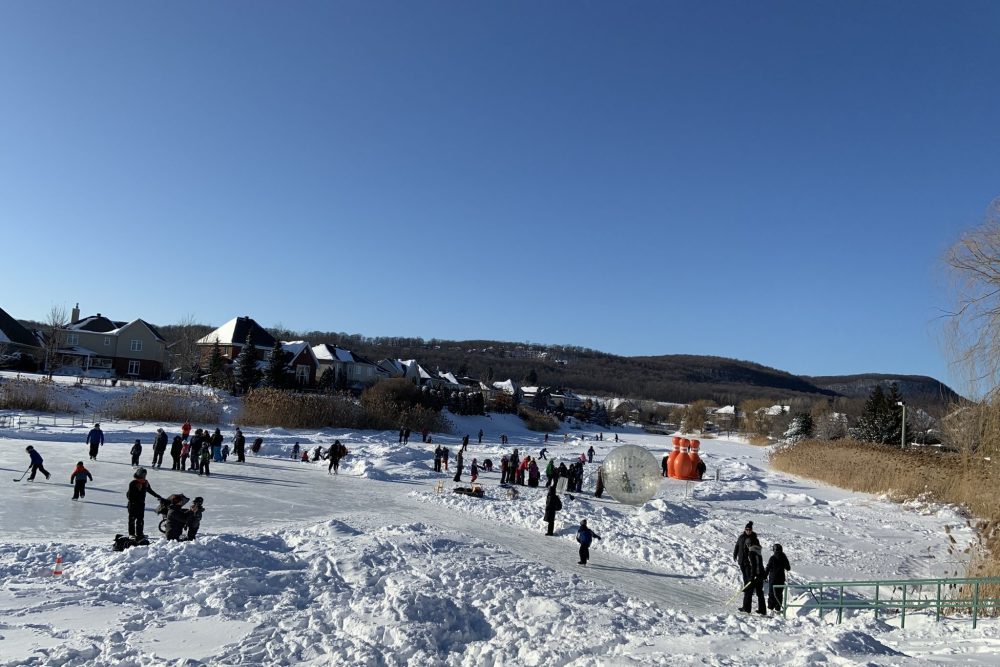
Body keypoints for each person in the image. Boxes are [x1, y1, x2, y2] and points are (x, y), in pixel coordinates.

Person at [126, 467, 162, 538]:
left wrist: (158, 496)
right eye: (143, 474)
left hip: (141, 504)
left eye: (145, 474)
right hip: (133, 504)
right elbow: (129, 496)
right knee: (132, 519)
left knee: (140, 520)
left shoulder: (145, 482)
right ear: (139, 474)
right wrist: (138, 491)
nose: (144, 476)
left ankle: (140, 534)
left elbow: (150, 490)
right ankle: (131, 534)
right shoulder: (133, 483)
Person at [741, 536, 767, 615]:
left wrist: (752, 576)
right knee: (760, 592)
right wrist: (763, 574)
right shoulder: (758, 552)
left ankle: (747, 609)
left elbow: (753, 565)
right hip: (760, 576)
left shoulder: (751, 552)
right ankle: (762, 610)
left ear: (748, 544)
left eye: (747, 545)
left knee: (749, 591)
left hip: (755, 576)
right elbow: (761, 565)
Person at [764, 543, 791, 612]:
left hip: (773, 579)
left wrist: (765, 575)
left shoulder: (772, 558)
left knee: (771, 593)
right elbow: (788, 568)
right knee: (779, 593)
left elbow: (768, 567)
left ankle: (770, 607)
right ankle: (778, 608)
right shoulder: (784, 557)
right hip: (781, 579)